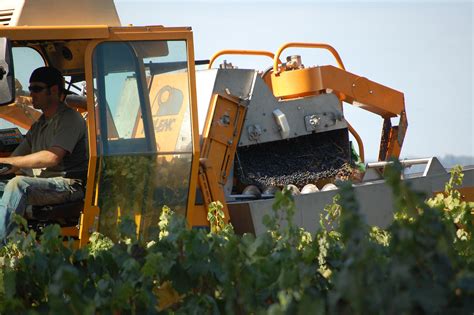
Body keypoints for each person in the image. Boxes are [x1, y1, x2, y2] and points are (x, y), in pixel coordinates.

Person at [0, 66, 88, 240]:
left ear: (54, 90)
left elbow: (52, 156)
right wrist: (5, 165)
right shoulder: (39, 124)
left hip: (69, 185)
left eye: (37, 89)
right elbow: (15, 159)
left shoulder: (70, 118)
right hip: (45, 183)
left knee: (18, 185)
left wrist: (13, 163)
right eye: (31, 88)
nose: (32, 94)